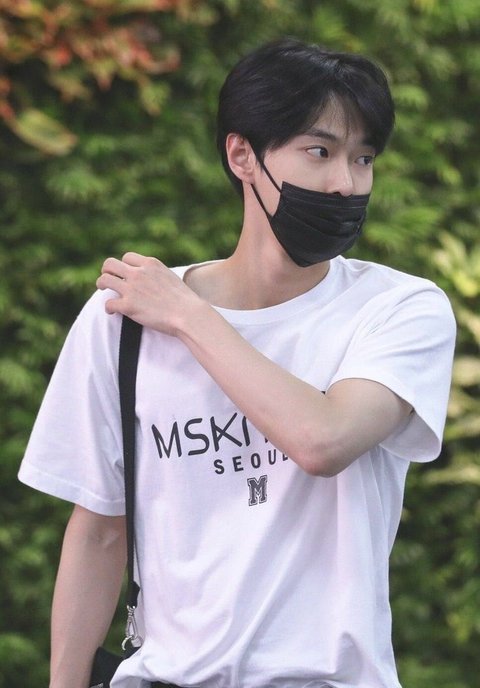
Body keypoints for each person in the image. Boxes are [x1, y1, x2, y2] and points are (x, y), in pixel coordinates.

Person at [19, 38, 456, 688]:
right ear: (242, 155)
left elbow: (324, 439)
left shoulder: (399, 310)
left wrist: (189, 317)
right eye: (320, 151)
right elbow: (99, 531)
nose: (345, 182)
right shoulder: (125, 320)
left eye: (364, 158)